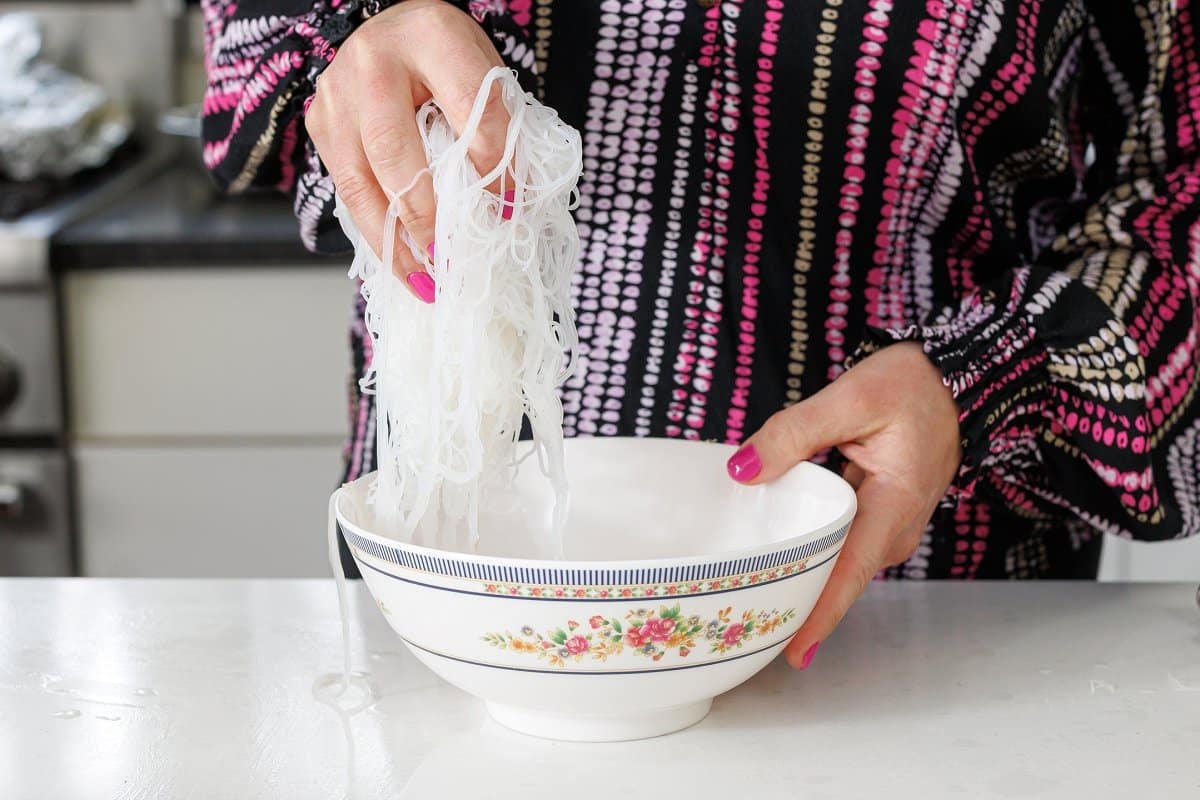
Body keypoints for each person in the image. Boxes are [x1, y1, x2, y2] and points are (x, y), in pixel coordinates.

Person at [201, 0, 1200, 670]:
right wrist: (359, 38)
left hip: (917, 637)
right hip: (449, 621)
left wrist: (983, 383)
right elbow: (253, 49)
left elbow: (1179, 208)